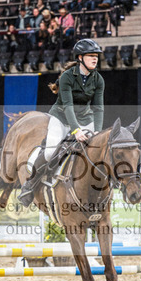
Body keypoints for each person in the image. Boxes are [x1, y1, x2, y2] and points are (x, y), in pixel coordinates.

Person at [18, 39, 104, 206]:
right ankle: (29, 185)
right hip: (62, 118)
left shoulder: (98, 79)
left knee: (96, 151)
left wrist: (97, 131)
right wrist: (76, 130)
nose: (95, 58)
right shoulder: (67, 77)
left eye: (96, 56)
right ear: (80, 58)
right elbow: (68, 106)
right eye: (91, 55)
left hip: (85, 119)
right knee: (50, 152)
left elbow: (98, 108)